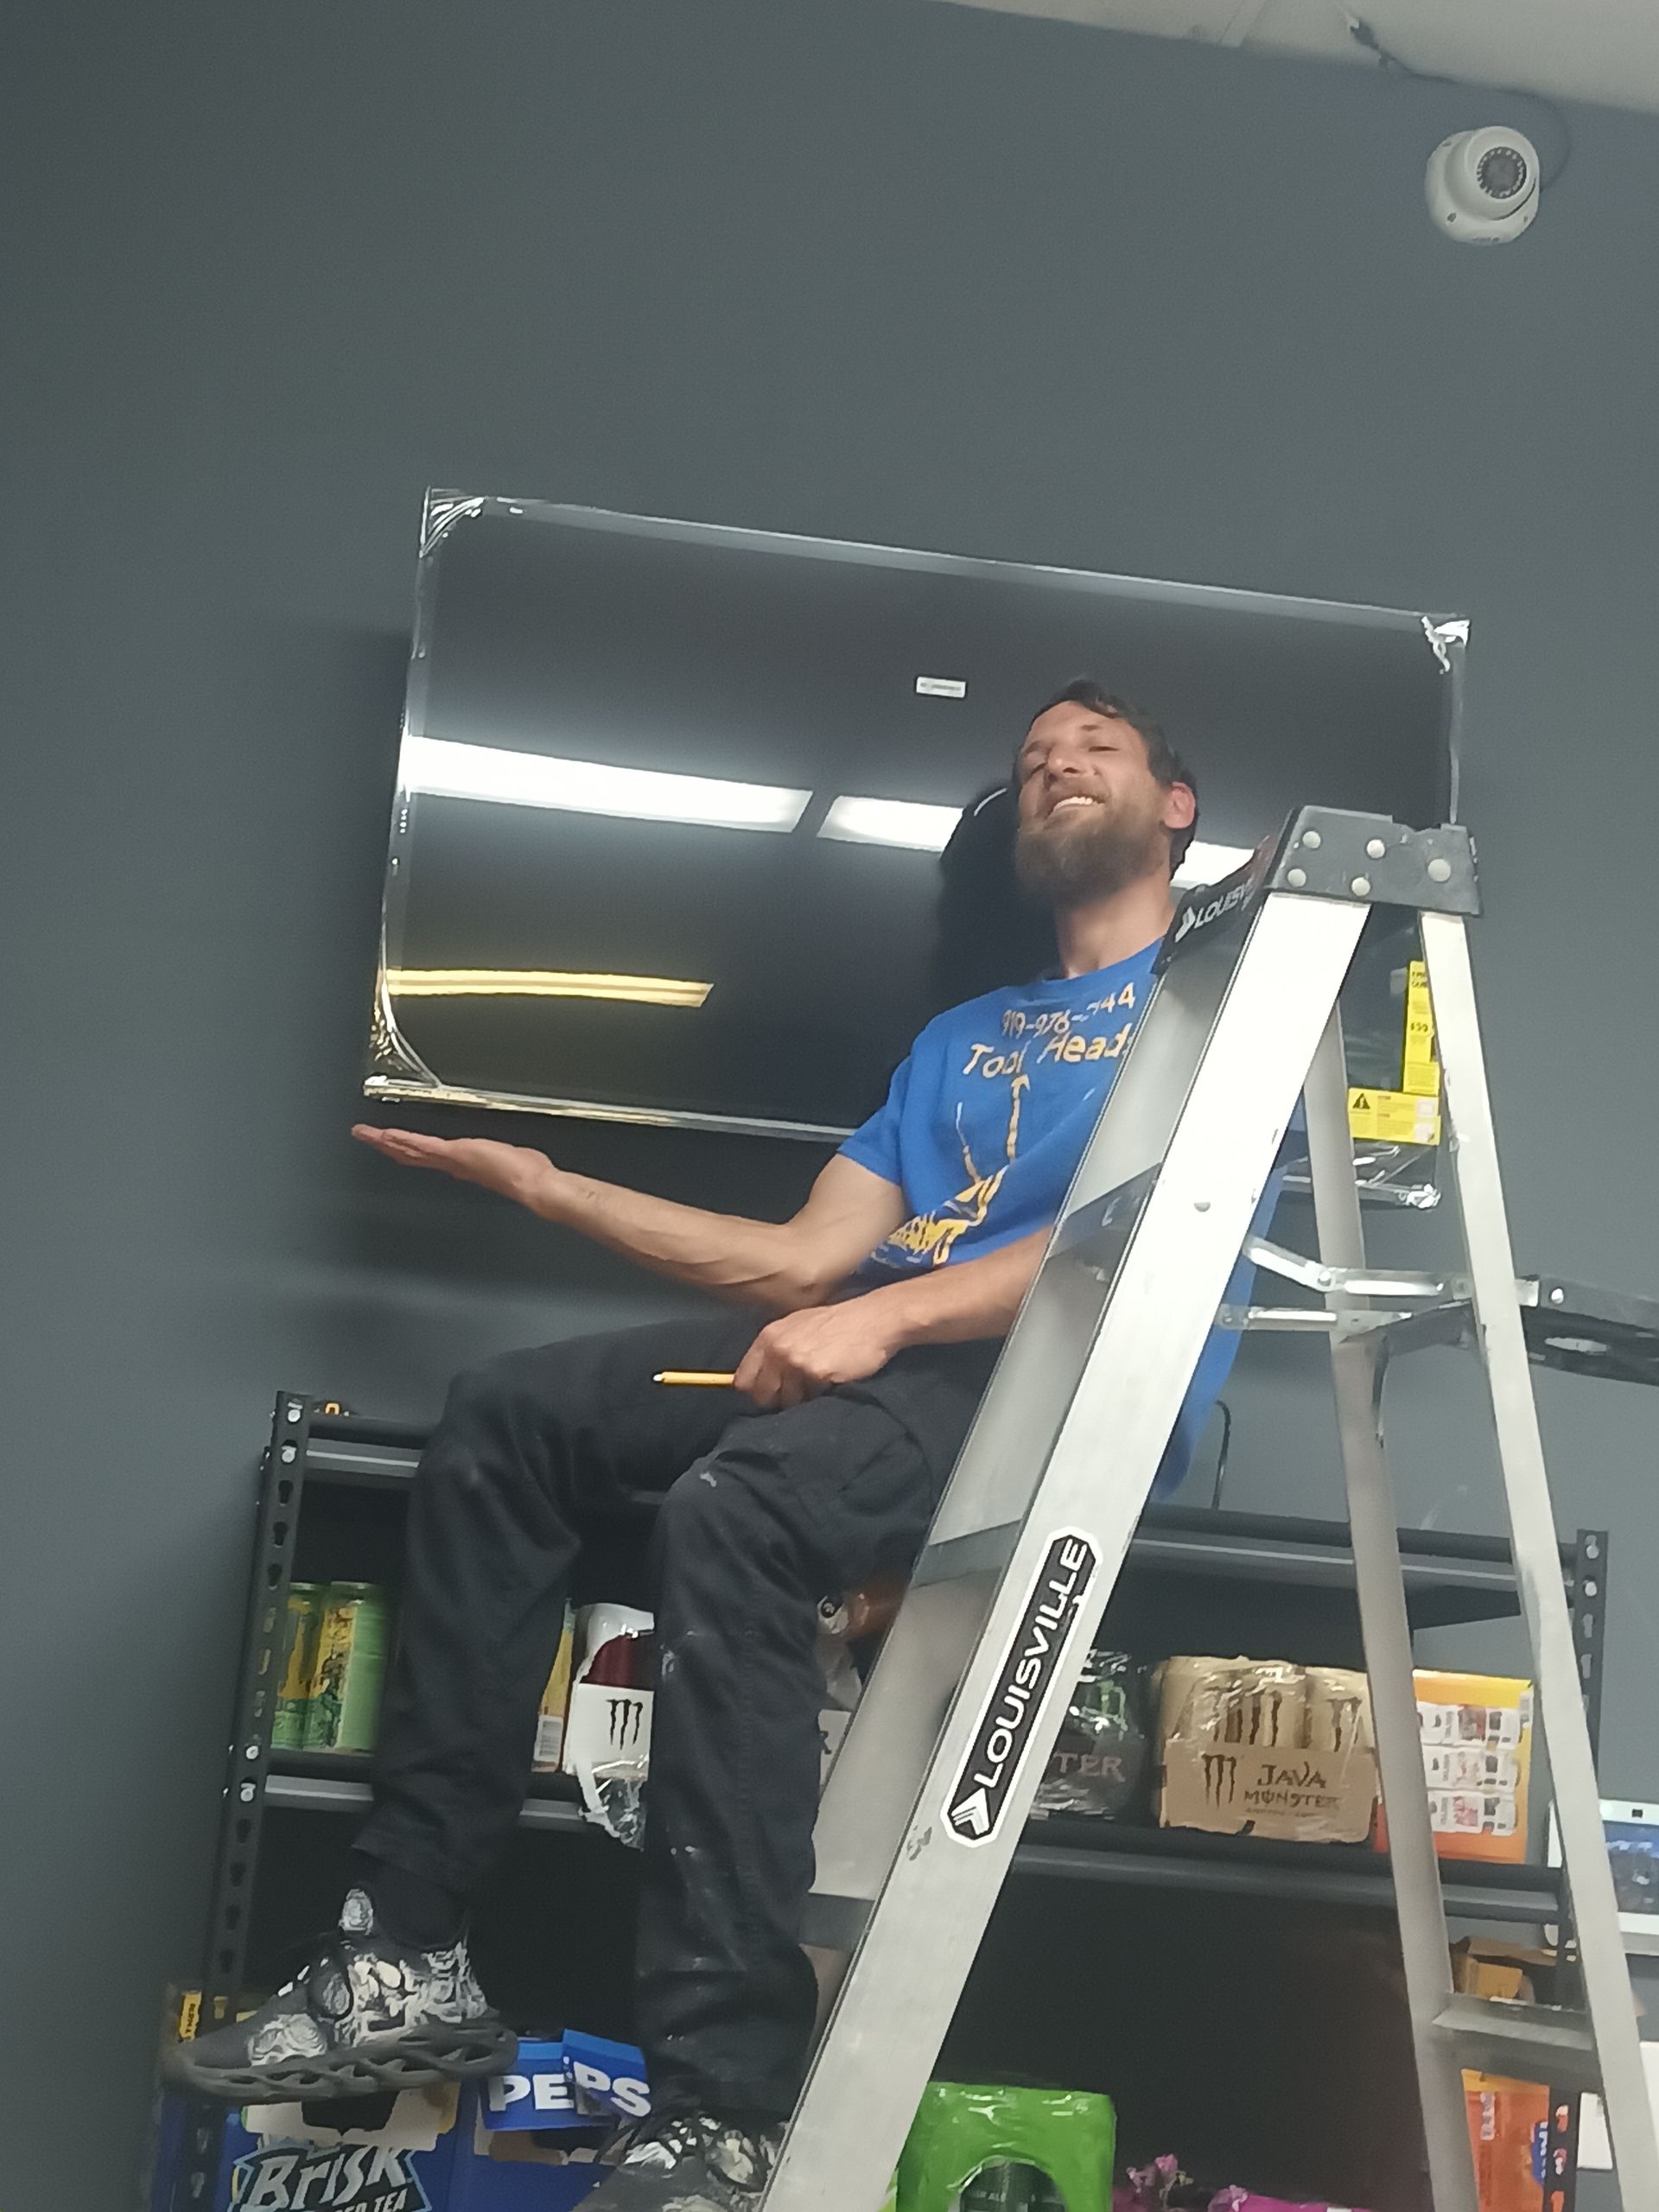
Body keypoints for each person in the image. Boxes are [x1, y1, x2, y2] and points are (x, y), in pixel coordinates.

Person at [170, 680, 1241, 2212]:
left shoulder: (1219, 1008)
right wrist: (549, 1186)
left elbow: (1150, 1244)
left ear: (1175, 806)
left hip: (1055, 1391)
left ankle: (721, 2106)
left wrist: (888, 1321)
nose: (1055, 766)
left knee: (737, 1508)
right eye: (1032, 760)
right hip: (887, 1363)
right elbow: (804, 1264)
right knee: (508, 1416)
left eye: (1096, 750)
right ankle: (403, 1951)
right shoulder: (962, 1041)